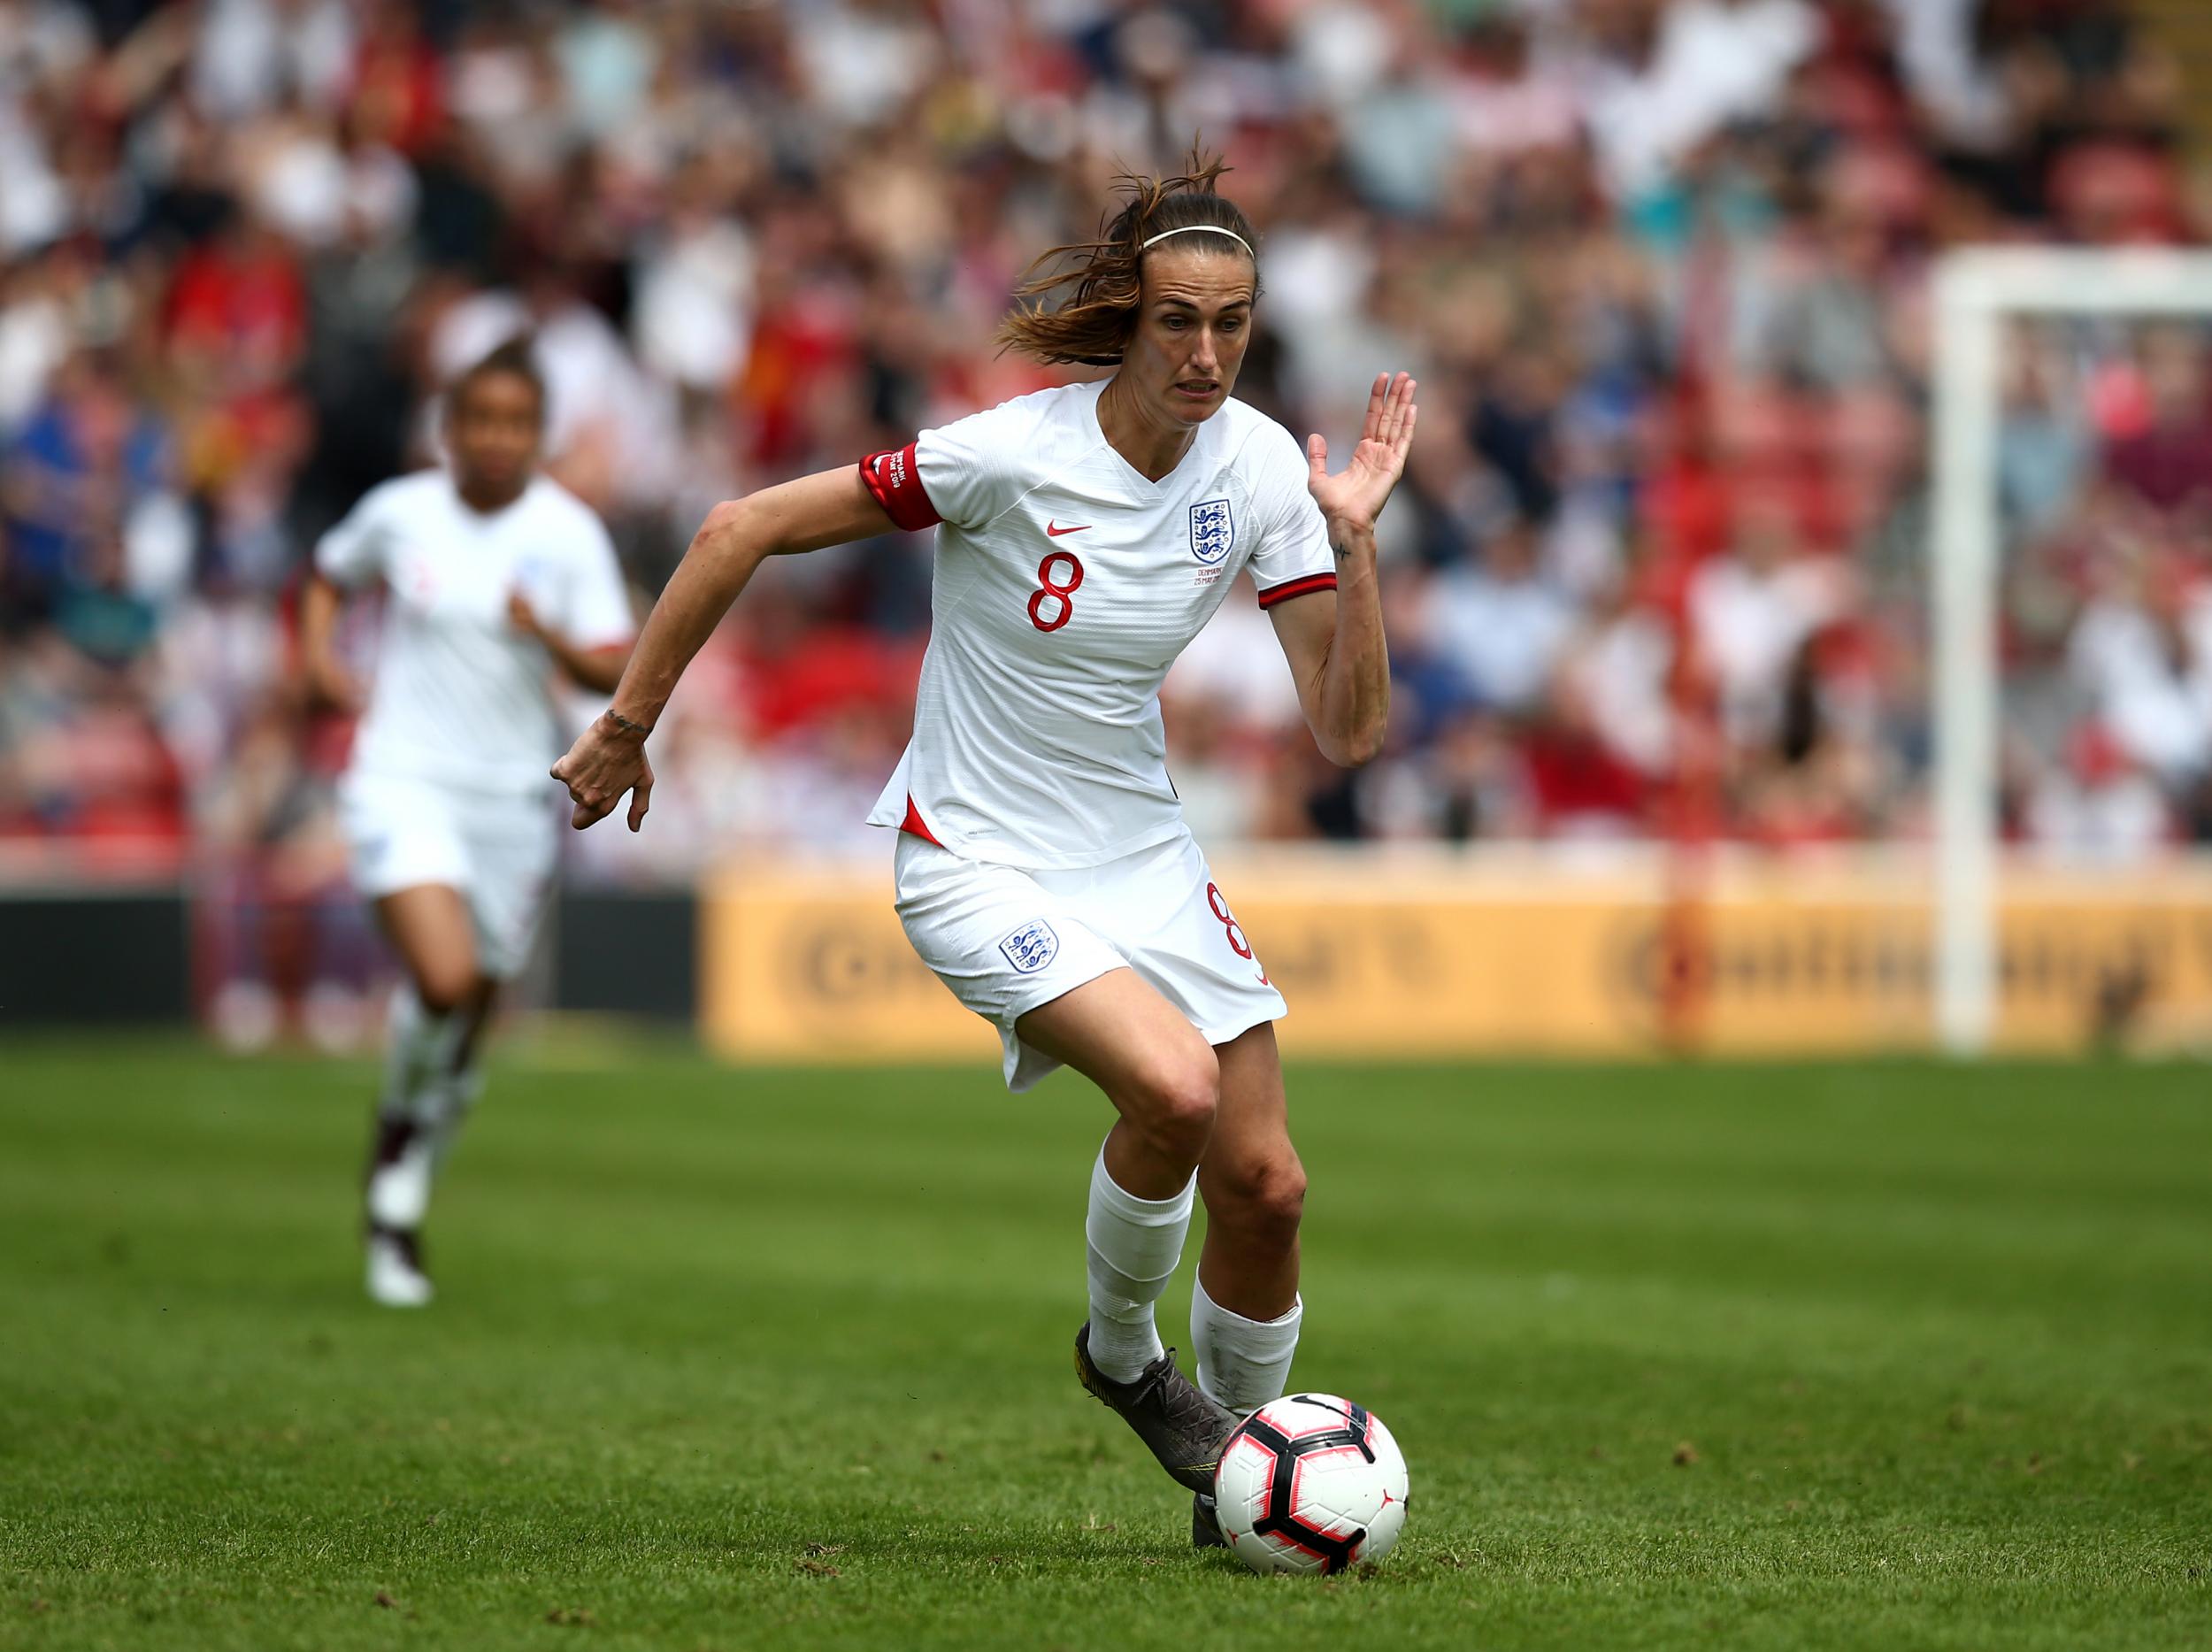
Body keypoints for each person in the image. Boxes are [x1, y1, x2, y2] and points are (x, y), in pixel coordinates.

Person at [550, 157, 1414, 1542]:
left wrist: (1354, 547)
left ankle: (1241, 1480)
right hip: (975, 854)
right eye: (1179, 319)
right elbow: (741, 525)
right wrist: (627, 722)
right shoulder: (1011, 454)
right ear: (1130, 316)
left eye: (1232, 323)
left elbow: (1348, 727)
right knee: (1175, 1093)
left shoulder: (1259, 466)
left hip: (1142, 852)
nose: (1205, 353)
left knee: (1270, 1184)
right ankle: (1126, 1360)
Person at [302, 339, 634, 1308]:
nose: (495, 438)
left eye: (515, 423)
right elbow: (327, 573)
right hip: (401, 777)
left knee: (472, 1010)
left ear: (538, 436)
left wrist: (549, 636)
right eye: (479, 420)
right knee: (444, 980)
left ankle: (403, 1183)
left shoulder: (567, 533)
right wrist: (321, 660)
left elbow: (612, 669)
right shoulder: (400, 513)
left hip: (510, 801)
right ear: (449, 430)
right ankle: (396, 1160)